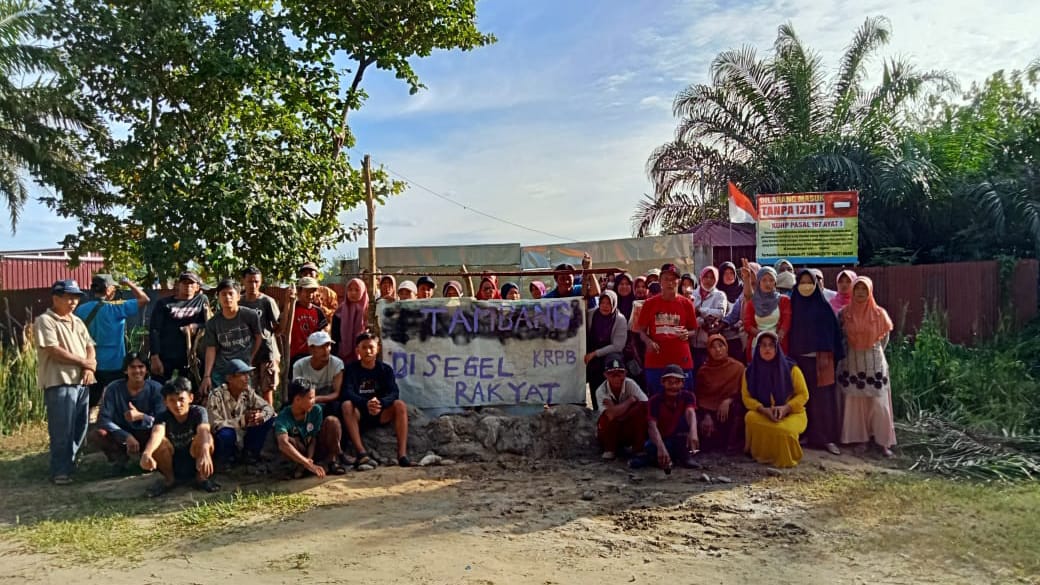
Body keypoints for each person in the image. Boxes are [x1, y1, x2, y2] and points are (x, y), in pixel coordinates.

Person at [35, 280, 96, 485]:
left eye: (76, 297)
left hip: (82, 380)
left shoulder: (76, 321)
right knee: (62, 428)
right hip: (59, 381)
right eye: (69, 297)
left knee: (80, 425)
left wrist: (89, 367)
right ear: (56, 298)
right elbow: (54, 351)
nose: (73, 302)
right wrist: (84, 362)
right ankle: (60, 470)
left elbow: (89, 345)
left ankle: (71, 464)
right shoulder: (46, 320)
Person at [788, 269, 845, 455]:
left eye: (809, 282)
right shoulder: (793, 305)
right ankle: (806, 435)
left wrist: (827, 355)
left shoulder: (824, 307)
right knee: (804, 398)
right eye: (802, 282)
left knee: (824, 400)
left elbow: (833, 334)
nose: (806, 286)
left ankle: (826, 439)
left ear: (816, 284)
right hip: (799, 360)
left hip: (822, 360)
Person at [838, 276, 897, 457]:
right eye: (857, 289)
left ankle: (882, 441)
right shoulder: (844, 313)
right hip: (853, 361)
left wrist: (872, 349)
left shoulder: (879, 313)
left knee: (879, 403)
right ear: (852, 291)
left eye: (864, 289)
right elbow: (841, 337)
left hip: (874, 362)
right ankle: (860, 439)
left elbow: (884, 338)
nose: (861, 293)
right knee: (856, 402)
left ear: (870, 291)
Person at [75, 274, 149, 407]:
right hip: (115, 364)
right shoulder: (116, 307)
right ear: (108, 290)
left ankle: (86, 427)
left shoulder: (80, 309)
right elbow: (144, 299)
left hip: (90, 364)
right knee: (119, 403)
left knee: (89, 403)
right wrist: (130, 284)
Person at [341, 332, 411, 468]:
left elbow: (394, 392)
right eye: (364, 347)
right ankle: (361, 453)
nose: (368, 351)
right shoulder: (351, 369)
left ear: (377, 349)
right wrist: (365, 403)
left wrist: (381, 403)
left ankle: (402, 455)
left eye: (371, 347)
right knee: (346, 405)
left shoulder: (385, 369)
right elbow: (347, 392)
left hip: (381, 412)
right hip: (360, 414)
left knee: (400, 405)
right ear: (358, 350)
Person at [140, 377, 219, 496]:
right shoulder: (162, 417)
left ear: (191, 398)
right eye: (171, 400)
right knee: (160, 443)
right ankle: (169, 480)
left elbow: (204, 430)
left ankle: (202, 478)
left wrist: (206, 452)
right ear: (165, 402)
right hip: (172, 463)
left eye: (181, 399)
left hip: (195, 459)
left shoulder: (199, 412)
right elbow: (157, 433)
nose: (177, 405)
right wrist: (147, 454)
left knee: (205, 438)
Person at [741, 331, 809, 468]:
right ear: (758, 348)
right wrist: (763, 410)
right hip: (764, 413)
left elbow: (803, 395)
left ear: (777, 348)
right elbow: (746, 398)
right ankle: (763, 454)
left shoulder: (791, 369)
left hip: (792, 413)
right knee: (750, 417)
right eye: (763, 345)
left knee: (784, 431)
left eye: (771, 346)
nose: (767, 349)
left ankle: (785, 457)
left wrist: (786, 408)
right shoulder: (750, 372)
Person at [91, 352, 165, 473]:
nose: (137, 371)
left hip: (147, 433)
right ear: (126, 370)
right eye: (133, 367)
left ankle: (149, 458)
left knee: (160, 434)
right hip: (123, 434)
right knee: (98, 434)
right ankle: (120, 460)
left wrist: (141, 416)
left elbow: (162, 420)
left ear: (146, 370)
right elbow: (104, 419)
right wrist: (126, 436)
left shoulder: (156, 388)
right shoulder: (113, 388)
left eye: (141, 367)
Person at [636, 263, 698, 395]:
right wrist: (648, 342)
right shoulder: (649, 304)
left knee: (684, 400)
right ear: (660, 281)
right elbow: (640, 330)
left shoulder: (687, 304)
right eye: (666, 279)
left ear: (679, 282)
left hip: (681, 360)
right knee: (656, 401)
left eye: (673, 279)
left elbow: (694, 330)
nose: (670, 283)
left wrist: (688, 333)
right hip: (656, 360)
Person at [206, 358, 275, 467]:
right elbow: (214, 424)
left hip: (244, 435)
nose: (247, 378)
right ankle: (225, 461)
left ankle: (250, 455)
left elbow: (268, 408)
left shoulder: (247, 392)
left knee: (267, 419)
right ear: (229, 378)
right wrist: (242, 420)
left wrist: (261, 415)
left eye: (248, 374)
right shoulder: (216, 395)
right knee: (226, 434)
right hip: (226, 438)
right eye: (242, 374)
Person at [200, 278, 261, 400]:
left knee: (245, 401)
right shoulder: (213, 323)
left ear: (238, 296)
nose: (227, 297)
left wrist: (250, 358)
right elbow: (211, 349)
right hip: (222, 369)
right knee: (220, 402)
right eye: (223, 294)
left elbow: (258, 338)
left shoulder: (250, 315)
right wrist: (207, 376)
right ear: (218, 297)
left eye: (230, 293)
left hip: (243, 368)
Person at [629, 365, 699, 470]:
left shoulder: (688, 396)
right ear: (662, 382)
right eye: (670, 382)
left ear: (683, 383)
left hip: (679, 436)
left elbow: (691, 413)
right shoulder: (654, 401)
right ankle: (669, 457)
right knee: (651, 447)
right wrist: (661, 448)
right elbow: (652, 426)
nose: (673, 386)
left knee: (685, 441)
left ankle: (680, 456)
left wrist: (693, 432)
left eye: (677, 382)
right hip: (661, 438)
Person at [274, 378, 347, 478]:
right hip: (299, 452)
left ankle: (331, 461)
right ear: (297, 399)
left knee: (332, 421)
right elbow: (283, 444)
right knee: (288, 441)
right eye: (310, 398)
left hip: (315, 449)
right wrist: (307, 463)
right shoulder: (283, 417)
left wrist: (310, 458)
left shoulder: (316, 410)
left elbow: (314, 437)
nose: (314, 401)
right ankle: (299, 466)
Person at [149, 271, 209, 383]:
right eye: (184, 283)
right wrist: (154, 357)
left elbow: (210, 324)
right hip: (166, 356)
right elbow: (154, 330)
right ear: (178, 285)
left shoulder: (202, 300)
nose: (188, 286)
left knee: (189, 391)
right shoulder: (163, 303)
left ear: (197, 287)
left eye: (191, 283)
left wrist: (197, 326)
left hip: (191, 357)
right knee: (159, 389)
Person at [238, 266, 282, 406]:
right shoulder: (239, 302)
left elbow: (277, 327)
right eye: (250, 281)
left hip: (266, 351)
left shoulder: (267, 301)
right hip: (246, 352)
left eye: (256, 281)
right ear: (243, 281)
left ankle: (269, 420)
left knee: (267, 389)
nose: (253, 285)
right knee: (247, 390)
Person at [695, 335, 745, 453]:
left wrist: (729, 400)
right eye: (713, 347)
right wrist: (706, 416)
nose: (718, 350)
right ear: (708, 350)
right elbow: (700, 395)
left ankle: (732, 443)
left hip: (729, 411)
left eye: (721, 346)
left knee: (737, 409)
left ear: (726, 347)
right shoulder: (704, 371)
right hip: (709, 411)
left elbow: (743, 392)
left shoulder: (738, 367)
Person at [595, 354, 648, 461]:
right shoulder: (601, 390)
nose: (616, 377)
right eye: (612, 374)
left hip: (627, 425)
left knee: (640, 409)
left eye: (620, 373)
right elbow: (610, 415)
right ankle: (610, 449)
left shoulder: (630, 384)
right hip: (611, 428)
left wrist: (616, 410)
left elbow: (646, 405)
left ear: (625, 374)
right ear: (605, 375)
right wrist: (629, 401)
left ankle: (638, 448)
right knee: (605, 419)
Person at [585, 291, 629, 410]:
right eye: (602, 302)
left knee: (611, 365)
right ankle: (596, 409)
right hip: (591, 353)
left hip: (610, 354)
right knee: (593, 377)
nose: (605, 306)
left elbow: (618, 346)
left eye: (608, 303)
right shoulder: (591, 314)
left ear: (614, 304)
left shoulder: (620, 319)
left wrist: (595, 354)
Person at [741, 264, 791, 359]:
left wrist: (779, 335)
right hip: (757, 345)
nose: (768, 283)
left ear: (775, 282)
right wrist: (762, 336)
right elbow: (747, 324)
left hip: (778, 345)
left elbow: (787, 320)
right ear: (759, 282)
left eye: (771, 280)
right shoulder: (753, 302)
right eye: (764, 280)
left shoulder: (784, 300)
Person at [292, 331, 345, 419]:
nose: (326, 350)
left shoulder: (337, 364)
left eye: (328, 345)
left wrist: (317, 399)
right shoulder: (299, 365)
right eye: (321, 347)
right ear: (311, 349)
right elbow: (297, 392)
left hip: (328, 404)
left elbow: (336, 393)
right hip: (305, 403)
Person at [279, 276, 329, 367]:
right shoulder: (292, 309)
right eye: (307, 291)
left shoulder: (318, 312)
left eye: (312, 291)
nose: (310, 294)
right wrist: (287, 303)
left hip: (313, 356)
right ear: (299, 292)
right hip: (294, 355)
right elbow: (282, 328)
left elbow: (324, 333)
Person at [691, 266, 729, 372]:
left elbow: (720, 313)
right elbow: (689, 313)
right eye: (706, 277)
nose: (708, 280)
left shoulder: (719, 295)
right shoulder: (693, 294)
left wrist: (701, 310)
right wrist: (702, 319)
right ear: (701, 278)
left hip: (709, 343)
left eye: (712, 278)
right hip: (691, 341)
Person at [331, 278, 368, 366]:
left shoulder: (369, 311)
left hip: (365, 355)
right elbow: (335, 337)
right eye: (350, 290)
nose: (353, 293)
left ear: (363, 291)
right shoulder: (339, 312)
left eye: (357, 290)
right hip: (342, 357)